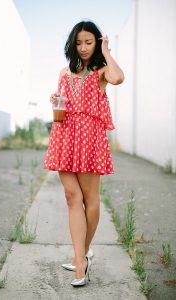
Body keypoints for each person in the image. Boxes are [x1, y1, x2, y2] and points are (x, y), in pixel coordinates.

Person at [43, 20, 124, 287]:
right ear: (72, 44)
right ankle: (81, 259)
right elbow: (62, 102)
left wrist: (107, 51)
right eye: (79, 43)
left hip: (90, 140)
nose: (83, 47)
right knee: (70, 196)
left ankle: (81, 254)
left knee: (90, 200)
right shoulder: (64, 72)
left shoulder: (101, 71)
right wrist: (55, 101)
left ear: (96, 42)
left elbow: (118, 78)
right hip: (65, 136)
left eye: (89, 42)